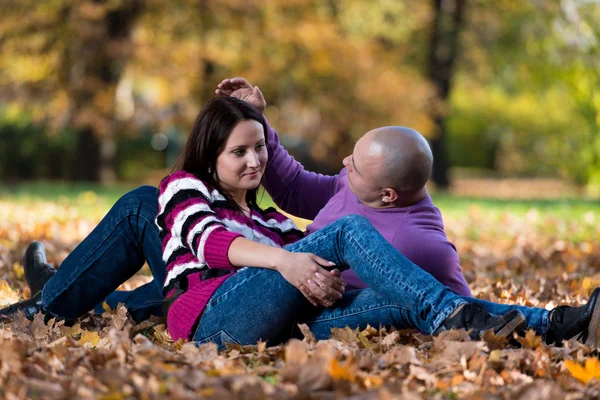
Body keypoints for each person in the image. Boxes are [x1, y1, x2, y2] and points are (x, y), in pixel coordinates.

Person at [1, 83, 598, 349]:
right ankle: (49, 303)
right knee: (342, 234)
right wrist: (290, 263)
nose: (258, 160)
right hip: (211, 318)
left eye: (260, 147)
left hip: (285, 325)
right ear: (212, 155)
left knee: (391, 307)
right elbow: (212, 244)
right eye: (241, 151)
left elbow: (305, 250)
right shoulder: (183, 190)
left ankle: (561, 324)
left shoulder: (273, 220)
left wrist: (315, 274)